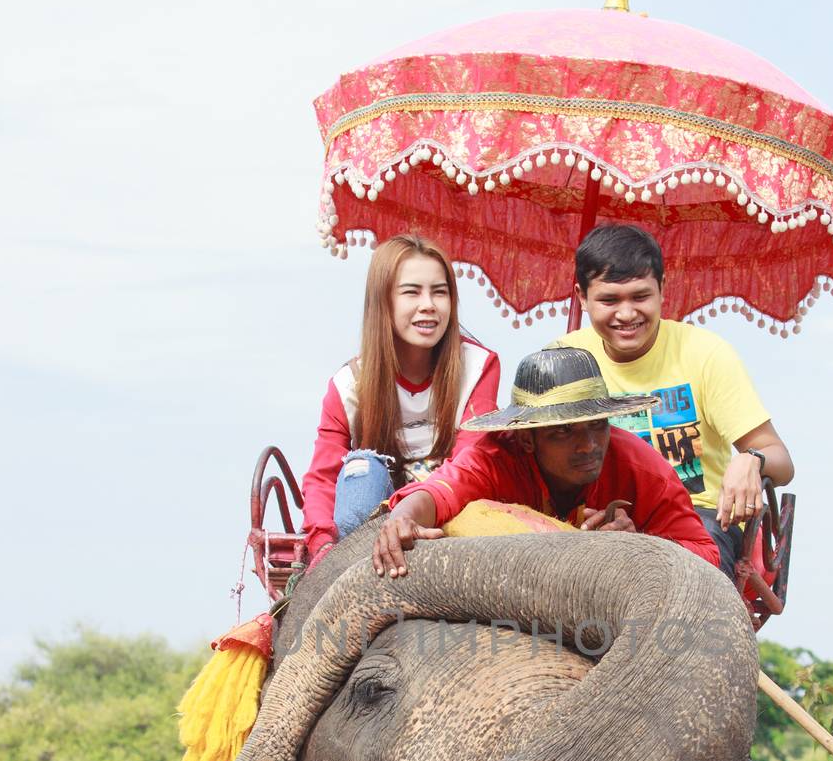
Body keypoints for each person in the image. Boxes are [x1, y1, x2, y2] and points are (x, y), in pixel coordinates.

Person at [554, 223, 794, 579]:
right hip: (595, 521)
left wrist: (752, 460)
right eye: (609, 300)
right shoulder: (562, 358)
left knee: (687, 570)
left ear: (663, 290)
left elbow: (781, 460)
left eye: (640, 297)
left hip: (695, 521)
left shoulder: (706, 354)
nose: (626, 314)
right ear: (582, 297)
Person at [372, 347, 720, 577]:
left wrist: (639, 544)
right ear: (526, 437)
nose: (588, 446)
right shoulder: (495, 456)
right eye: (564, 432)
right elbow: (438, 494)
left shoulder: (642, 469)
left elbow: (706, 554)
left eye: (598, 426)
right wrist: (401, 520)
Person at [301, 233, 500, 561]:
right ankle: (359, 569)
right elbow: (322, 477)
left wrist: (417, 507)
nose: (429, 305)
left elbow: (472, 459)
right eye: (412, 292)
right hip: (372, 523)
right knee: (363, 473)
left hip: (450, 504)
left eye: (440, 292)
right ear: (383, 302)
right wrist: (322, 546)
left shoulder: (477, 367)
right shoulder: (349, 385)